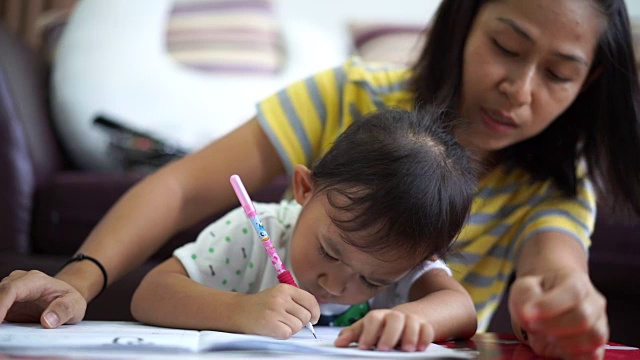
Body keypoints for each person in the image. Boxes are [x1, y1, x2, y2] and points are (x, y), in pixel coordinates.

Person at [1, 0, 639, 358]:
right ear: (464, 20)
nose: (519, 90)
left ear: (591, 83)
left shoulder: (559, 178)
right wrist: (76, 280)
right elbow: (178, 188)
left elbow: (554, 270)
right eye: (506, 45)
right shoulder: (353, 93)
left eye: (558, 73)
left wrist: (564, 304)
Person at [130, 107, 478, 351]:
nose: (335, 285)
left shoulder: (404, 258)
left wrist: (409, 318)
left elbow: (461, 309)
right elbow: (150, 294)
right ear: (304, 188)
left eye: (372, 282)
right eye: (328, 251)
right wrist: (240, 310)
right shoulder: (255, 232)